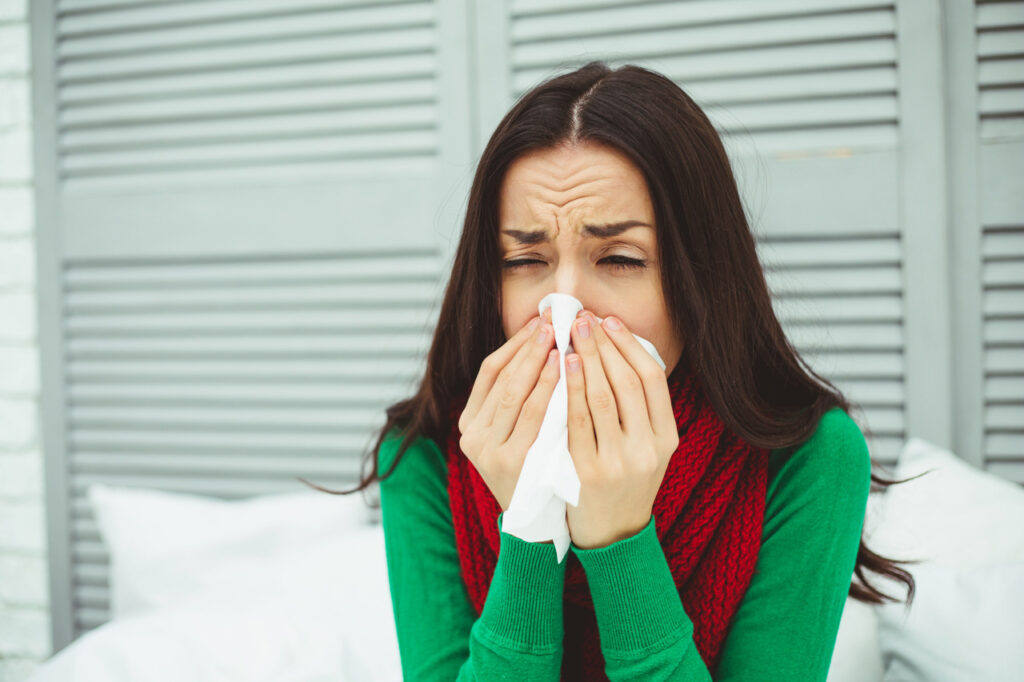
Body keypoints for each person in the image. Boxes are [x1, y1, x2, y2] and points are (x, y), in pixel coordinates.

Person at [308, 61, 916, 681]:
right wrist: (528, 531)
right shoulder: (425, 456)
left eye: (620, 258)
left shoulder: (810, 458)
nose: (565, 308)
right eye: (525, 259)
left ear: (699, 280)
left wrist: (620, 540)